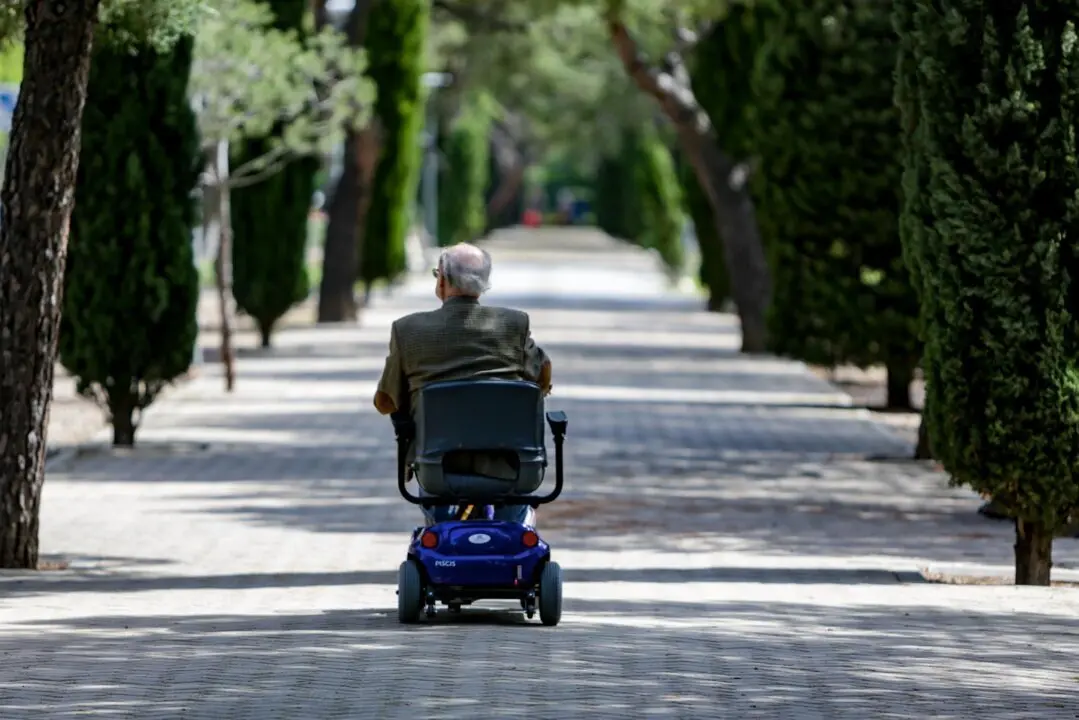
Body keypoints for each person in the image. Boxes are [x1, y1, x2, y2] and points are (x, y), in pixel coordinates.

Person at [373, 242, 553, 524]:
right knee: (516, 517)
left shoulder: (408, 330)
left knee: (437, 516)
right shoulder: (514, 324)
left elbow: (386, 402)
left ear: (442, 279)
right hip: (509, 467)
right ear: (484, 285)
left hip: (439, 469)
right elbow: (541, 378)